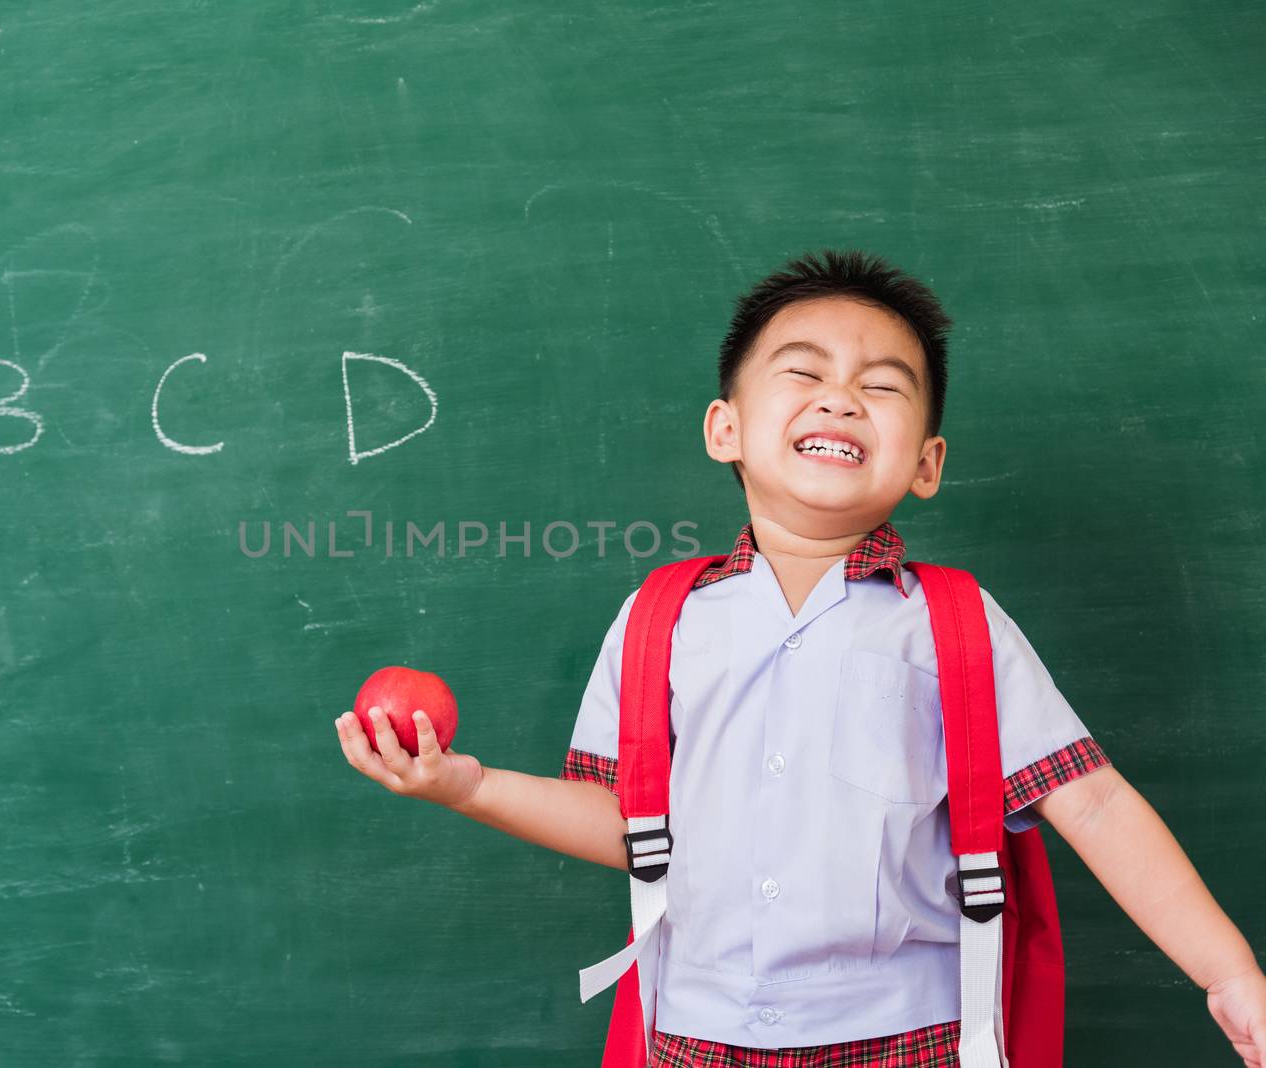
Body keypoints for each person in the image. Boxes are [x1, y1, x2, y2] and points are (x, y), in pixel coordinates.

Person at [333, 249, 1266, 1067]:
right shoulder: (660, 618)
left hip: (913, 1036)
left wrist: (1230, 973)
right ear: (724, 429)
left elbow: (1092, 800)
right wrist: (466, 786)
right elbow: (630, 822)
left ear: (927, 463)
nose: (841, 397)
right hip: (690, 1034)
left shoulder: (954, 622)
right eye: (802, 372)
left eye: (884, 385)